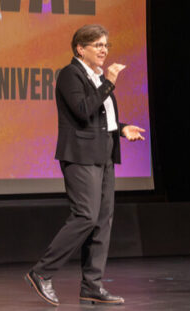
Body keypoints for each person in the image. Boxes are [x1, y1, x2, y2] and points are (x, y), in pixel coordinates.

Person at [25, 24, 146, 306]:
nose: (104, 50)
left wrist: (123, 128)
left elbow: (101, 118)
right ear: (80, 48)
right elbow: (82, 111)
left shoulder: (95, 77)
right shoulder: (71, 74)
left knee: (102, 222)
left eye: (106, 45)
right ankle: (42, 272)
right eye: (98, 45)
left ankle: (92, 285)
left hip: (104, 156)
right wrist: (110, 83)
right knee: (86, 216)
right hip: (80, 156)